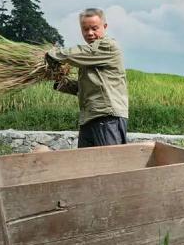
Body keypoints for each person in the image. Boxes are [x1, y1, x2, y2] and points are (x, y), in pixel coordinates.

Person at [45, 8, 129, 148]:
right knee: (86, 165)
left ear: (105, 27)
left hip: (107, 117)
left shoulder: (107, 46)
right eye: (85, 29)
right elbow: (84, 87)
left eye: (94, 28)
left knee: (109, 165)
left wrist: (52, 54)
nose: (90, 33)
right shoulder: (88, 59)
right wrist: (59, 81)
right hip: (89, 117)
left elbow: (73, 54)